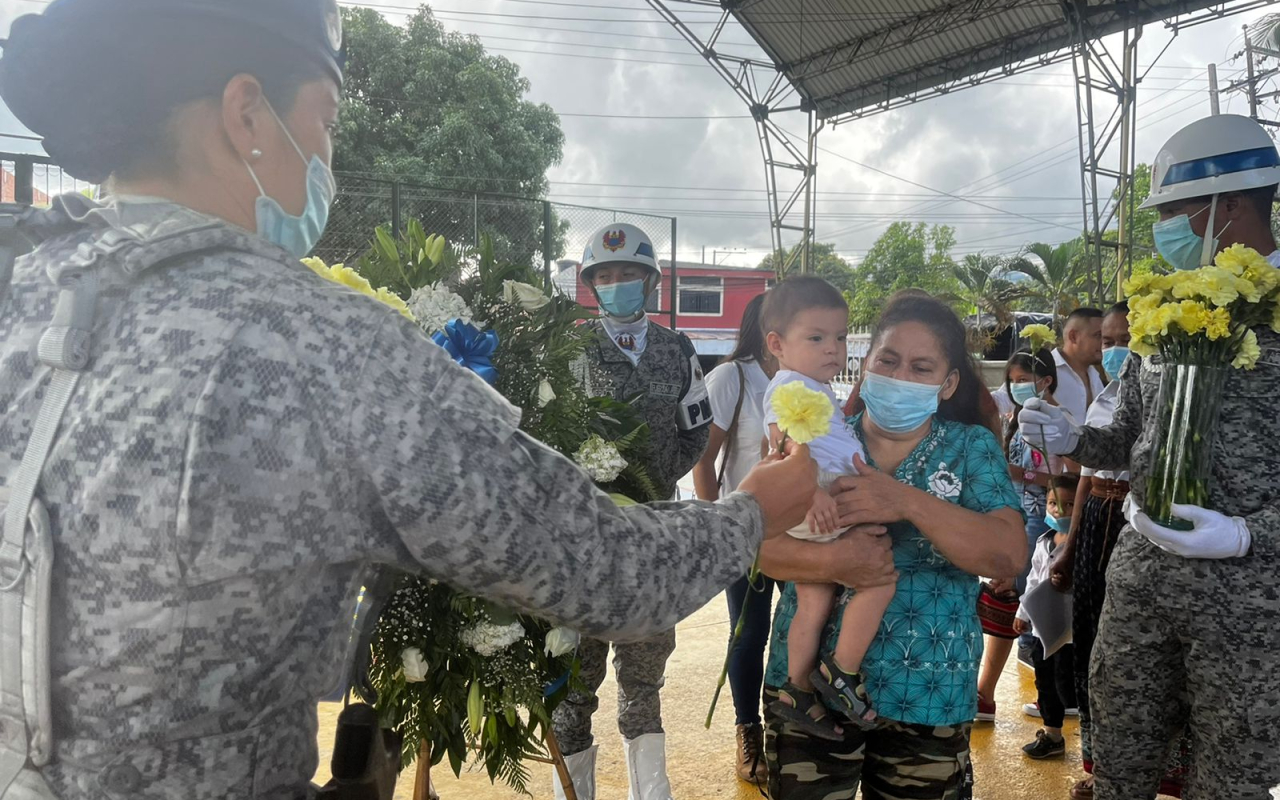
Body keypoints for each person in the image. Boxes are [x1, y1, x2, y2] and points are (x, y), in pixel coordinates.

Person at [0, 3, 823, 798]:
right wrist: (751, 513)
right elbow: (608, 573)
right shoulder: (326, 345)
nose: (326, 153)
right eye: (323, 120)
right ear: (247, 114)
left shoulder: (19, 285)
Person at [1021, 113, 1280, 800]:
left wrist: (1251, 534)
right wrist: (1072, 438)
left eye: (1174, 211)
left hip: (1250, 599)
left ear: (1236, 203)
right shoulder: (1162, 318)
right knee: (1117, 762)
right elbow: (1127, 434)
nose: (1165, 227)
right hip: (1142, 584)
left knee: (1234, 775)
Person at [761, 293, 1027, 800]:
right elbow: (759, 546)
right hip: (808, 699)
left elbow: (1009, 555)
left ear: (948, 384)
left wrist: (906, 501)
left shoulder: (971, 447)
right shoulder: (812, 433)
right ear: (865, 364)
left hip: (929, 690)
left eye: (921, 367)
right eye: (887, 360)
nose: (900, 376)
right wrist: (835, 560)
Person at [554, 221, 715, 800]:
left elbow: (696, 429)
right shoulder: (568, 350)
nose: (617, 283)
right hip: (584, 544)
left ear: (651, 282)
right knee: (573, 683)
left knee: (644, 678)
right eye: (605, 275)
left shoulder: (678, 349)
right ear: (592, 285)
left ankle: (651, 792)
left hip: (653, 538)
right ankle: (573, 793)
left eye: (629, 275)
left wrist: (659, 478)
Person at [1049, 303, 1191, 799]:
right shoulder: (1104, 400)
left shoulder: (1172, 395)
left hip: (1140, 523)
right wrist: (1068, 546)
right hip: (1097, 526)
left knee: (1156, 657)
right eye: (1106, 341)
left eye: (1123, 339)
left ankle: (1168, 771)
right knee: (1094, 644)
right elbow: (1088, 478)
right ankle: (1099, 763)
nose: (1113, 350)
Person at [759, 278, 884, 740]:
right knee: (879, 576)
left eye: (839, 337)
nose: (832, 349)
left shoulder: (810, 384)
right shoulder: (789, 387)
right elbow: (785, 441)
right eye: (816, 338)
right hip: (823, 498)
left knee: (813, 602)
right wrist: (810, 491)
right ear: (777, 344)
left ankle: (796, 690)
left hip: (817, 498)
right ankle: (842, 673)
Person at [692, 293, 777, 785]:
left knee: (801, 634)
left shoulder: (806, 379)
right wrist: (715, 527)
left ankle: (793, 732)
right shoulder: (732, 377)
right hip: (745, 532)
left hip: (803, 533)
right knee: (749, 635)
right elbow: (704, 459)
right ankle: (749, 734)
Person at [975, 347, 1075, 721]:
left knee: (1027, 600)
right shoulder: (1016, 417)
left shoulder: (1057, 421)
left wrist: (1021, 475)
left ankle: (1045, 693)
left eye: (1023, 381)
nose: (1017, 387)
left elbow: (1067, 478)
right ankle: (993, 692)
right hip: (1014, 518)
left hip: (1040, 518)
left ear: (1046, 381)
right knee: (1009, 598)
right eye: (1013, 381)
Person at [1014, 474, 1080, 760]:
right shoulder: (1045, 540)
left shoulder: (1082, 545)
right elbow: (1032, 580)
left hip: (1072, 632)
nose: (1058, 511)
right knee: (1045, 681)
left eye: (1068, 504)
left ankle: (1091, 743)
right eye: (1053, 503)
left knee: (1069, 683)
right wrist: (1022, 613)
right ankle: (1052, 734)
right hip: (1044, 629)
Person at [1053, 308, 1106, 424]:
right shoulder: (1043, 369)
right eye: (1098, 335)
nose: (1104, 342)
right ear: (1073, 337)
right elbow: (1004, 403)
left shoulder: (1095, 375)